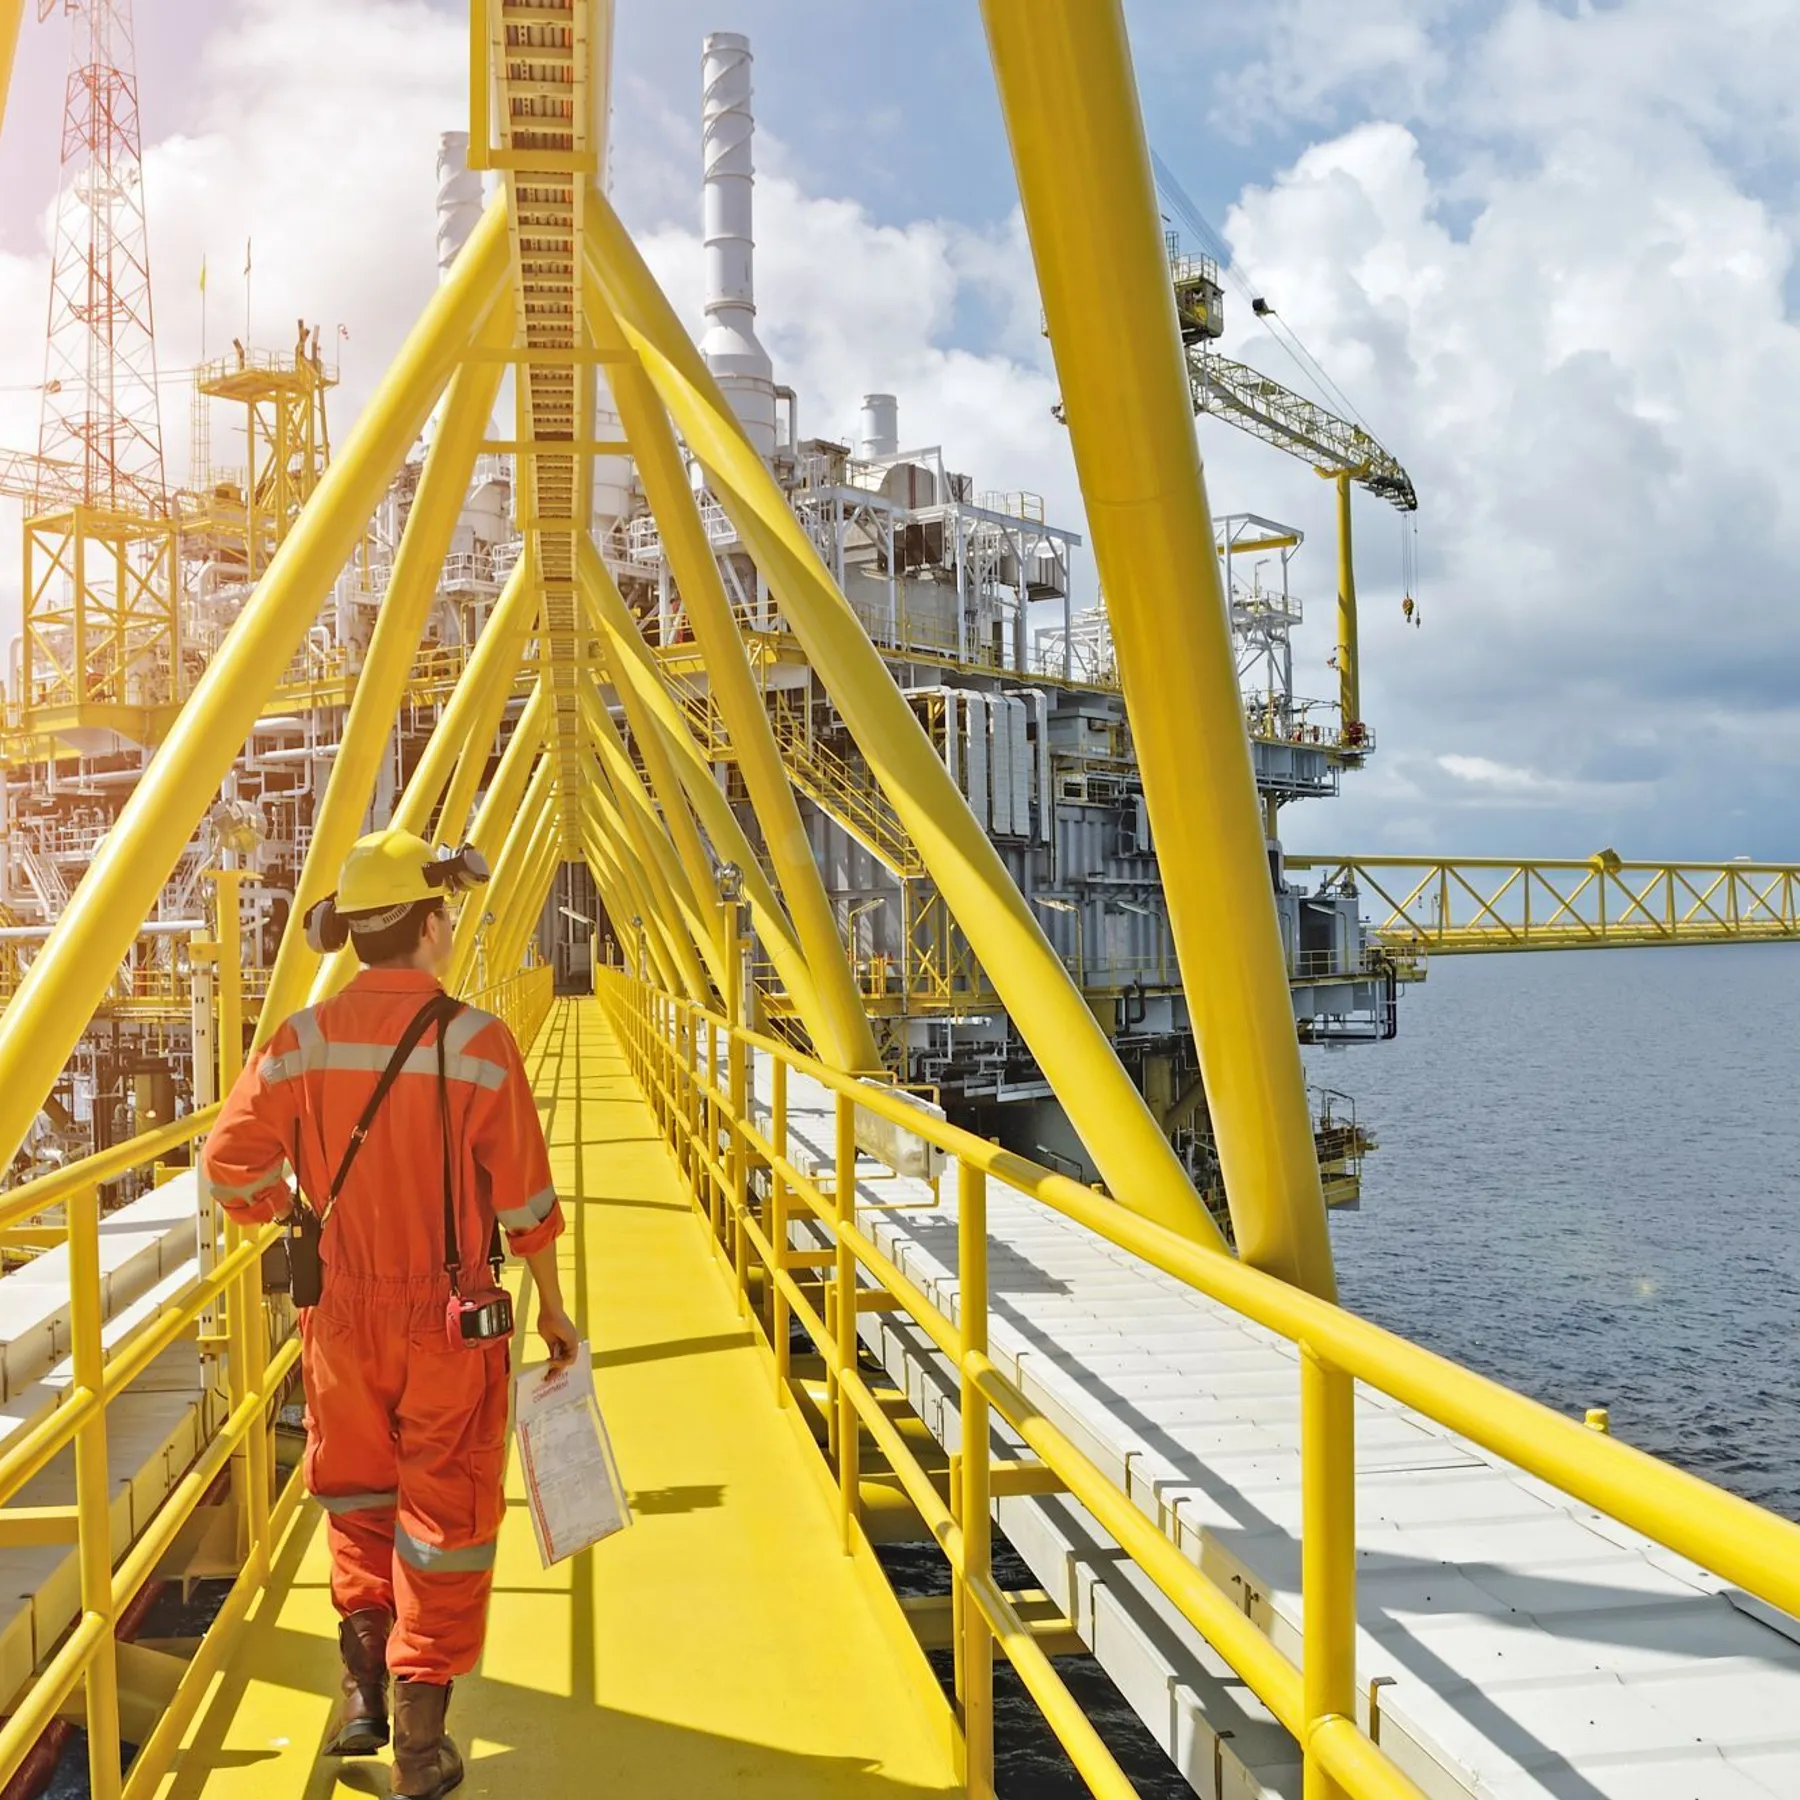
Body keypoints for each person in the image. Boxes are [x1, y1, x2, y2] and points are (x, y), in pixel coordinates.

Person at [201, 828, 578, 1800]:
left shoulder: (300, 1040)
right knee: (442, 1521)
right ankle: (418, 1743)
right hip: (450, 1319)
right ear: (431, 923)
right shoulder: (480, 1043)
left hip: (338, 1316)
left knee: (358, 1502)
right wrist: (555, 1315)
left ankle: (360, 1689)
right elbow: (525, 1204)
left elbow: (228, 1167)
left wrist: (286, 1215)